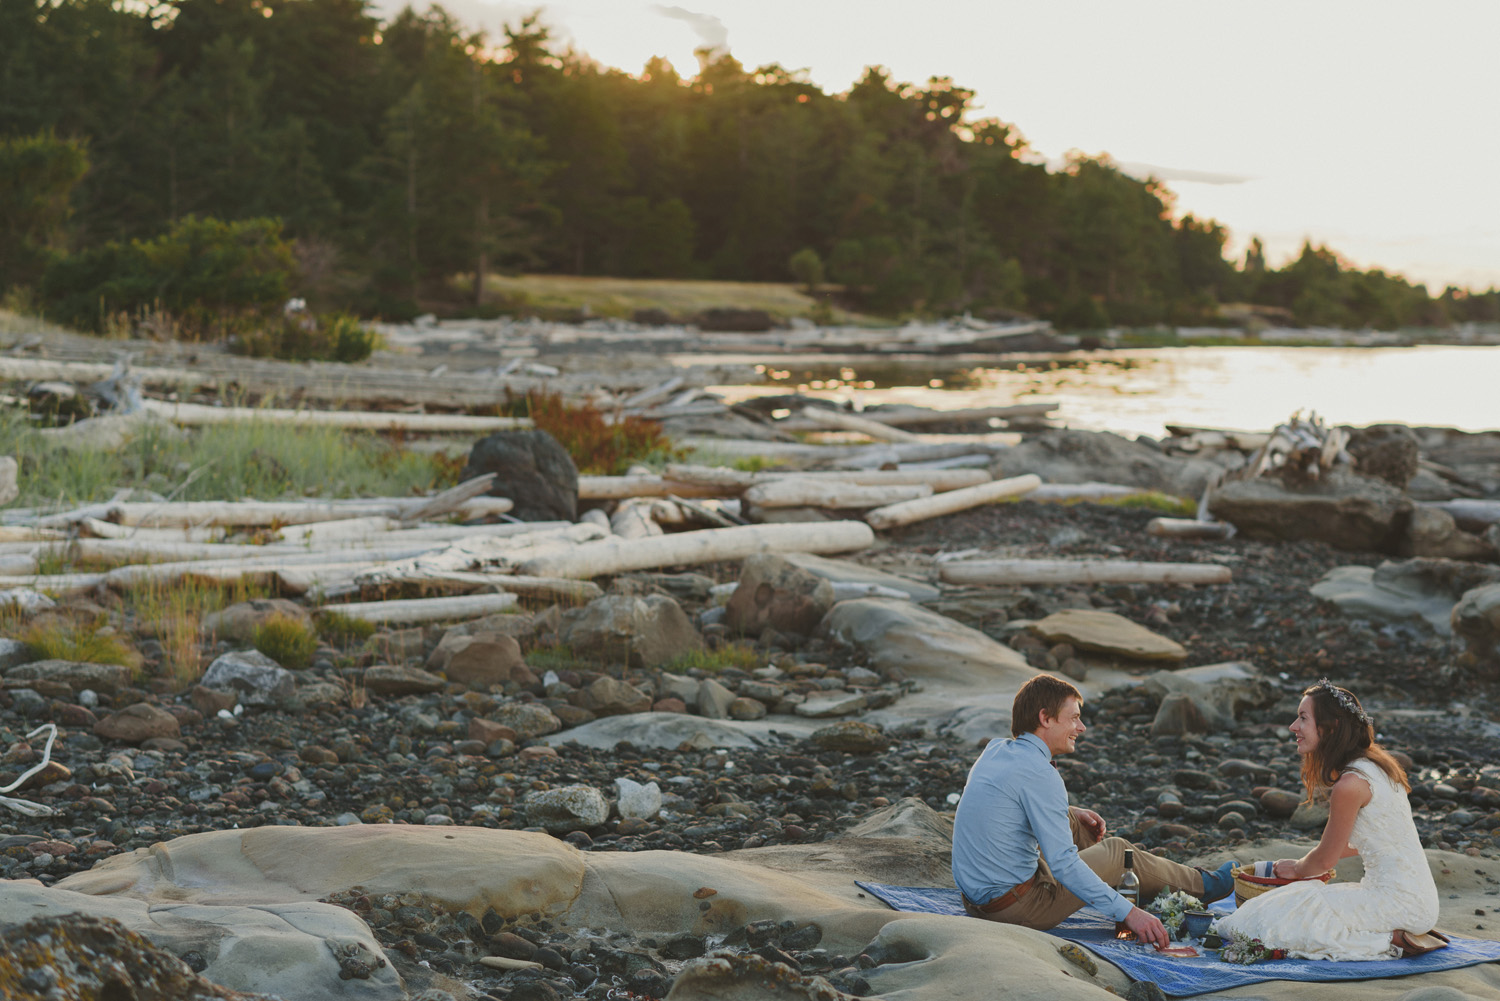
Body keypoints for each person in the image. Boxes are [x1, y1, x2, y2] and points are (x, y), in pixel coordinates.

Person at [952, 674, 1239, 949]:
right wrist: (1129, 914)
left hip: (977, 899)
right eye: (1074, 718)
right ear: (1045, 718)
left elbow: (1006, 804)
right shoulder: (1040, 773)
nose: (1082, 728)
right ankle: (1205, 886)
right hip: (1015, 909)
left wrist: (1068, 811)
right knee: (1117, 852)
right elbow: (1063, 864)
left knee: (1075, 822)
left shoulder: (995, 750)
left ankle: (1117, 887)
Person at [1212, 679, 1440, 960]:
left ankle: (1388, 937)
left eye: (1303, 718)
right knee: (1298, 901)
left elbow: (1325, 861)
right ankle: (1392, 932)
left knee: (1266, 919)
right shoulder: (1378, 768)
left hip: (1397, 904)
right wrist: (1307, 868)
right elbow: (1367, 842)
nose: (1293, 726)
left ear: (1330, 728)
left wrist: (1298, 868)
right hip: (1418, 900)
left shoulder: (1351, 783)